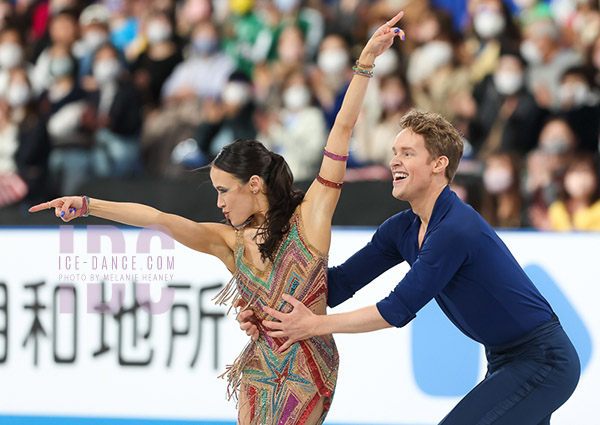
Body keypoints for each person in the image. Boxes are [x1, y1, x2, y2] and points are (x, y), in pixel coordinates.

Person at [29, 12, 406, 425]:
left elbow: (342, 130)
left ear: (255, 184)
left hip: (308, 365)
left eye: (224, 191)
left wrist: (365, 62)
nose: (219, 204)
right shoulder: (229, 243)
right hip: (260, 363)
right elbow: (158, 218)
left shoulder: (310, 219)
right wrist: (87, 205)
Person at [242, 109, 581, 425]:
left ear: (439, 164)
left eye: (407, 153)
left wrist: (314, 325)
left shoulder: (454, 229)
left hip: (543, 360)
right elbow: (339, 284)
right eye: (394, 151)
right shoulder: (401, 228)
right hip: (506, 360)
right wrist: (265, 305)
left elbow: (396, 309)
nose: (394, 161)